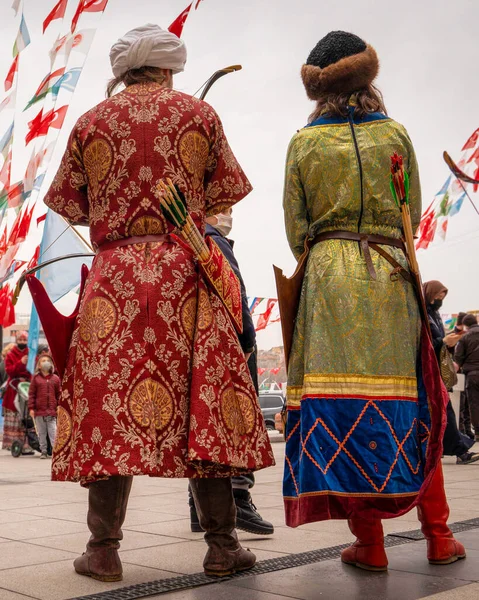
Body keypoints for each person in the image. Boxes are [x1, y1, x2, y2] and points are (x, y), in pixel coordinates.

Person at [42, 24, 274, 582]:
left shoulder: (91, 121)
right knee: (206, 403)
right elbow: (222, 195)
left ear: (123, 71)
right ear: (169, 67)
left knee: (106, 411)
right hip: (184, 273)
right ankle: (222, 547)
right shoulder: (199, 114)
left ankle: (103, 551)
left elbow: (69, 205)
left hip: (114, 278)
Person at [282, 30, 464, 572]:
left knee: (343, 411)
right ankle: (439, 535)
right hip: (391, 275)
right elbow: (410, 210)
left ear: (318, 90)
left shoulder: (304, 143)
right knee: (415, 401)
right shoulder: (396, 135)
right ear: (370, 80)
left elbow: (297, 230)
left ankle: (372, 545)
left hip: (330, 279)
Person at [188, 209, 274, 536]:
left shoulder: (188, 242)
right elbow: (234, 294)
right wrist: (248, 339)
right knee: (235, 424)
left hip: (204, 344)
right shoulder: (215, 242)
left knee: (205, 427)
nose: (229, 214)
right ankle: (239, 496)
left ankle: (198, 511)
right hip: (230, 345)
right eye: (223, 208)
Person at [424, 281, 478, 464]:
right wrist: (443, 341)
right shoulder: (423, 315)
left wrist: (450, 339)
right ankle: (459, 451)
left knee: (445, 412)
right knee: (444, 412)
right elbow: (425, 343)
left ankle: (454, 450)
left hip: (437, 371)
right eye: (438, 296)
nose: (440, 300)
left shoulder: (434, 315)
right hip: (427, 372)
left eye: (442, 297)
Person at [1, 332, 33, 454]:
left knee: (25, 417)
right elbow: (9, 371)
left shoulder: (31, 353)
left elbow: (33, 370)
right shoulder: (10, 354)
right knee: (15, 416)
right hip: (13, 390)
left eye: (24, 340)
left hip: (27, 389)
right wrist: (21, 363)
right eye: (20, 339)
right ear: (16, 340)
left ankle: (26, 445)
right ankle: (11, 443)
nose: (22, 342)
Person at [444, 313, 474, 439]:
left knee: (466, 403)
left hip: (465, 371)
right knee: (459, 404)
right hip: (456, 373)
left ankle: (466, 429)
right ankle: (461, 429)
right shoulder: (451, 335)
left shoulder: (467, 335)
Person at [28, 354, 60, 459]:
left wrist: (59, 406)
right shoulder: (36, 379)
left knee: (53, 431)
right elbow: (32, 394)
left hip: (51, 411)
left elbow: (58, 394)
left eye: (47, 360)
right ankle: (44, 451)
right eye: (43, 361)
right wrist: (31, 408)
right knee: (41, 432)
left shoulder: (55, 378)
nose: (45, 362)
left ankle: (55, 451)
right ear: (39, 365)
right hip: (39, 411)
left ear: (51, 364)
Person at [455, 313, 479, 442]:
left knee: (474, 403)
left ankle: (478, 432)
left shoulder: (464, 338)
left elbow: (458, 359)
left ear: (466, 325)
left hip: (472, 375)